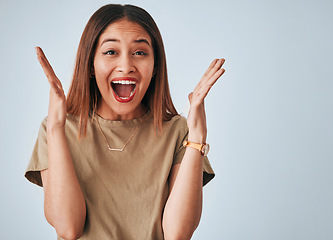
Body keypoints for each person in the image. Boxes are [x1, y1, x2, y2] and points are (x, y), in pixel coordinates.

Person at [25, 4, 225, 240]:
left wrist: (197, 137)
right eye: (111, 52)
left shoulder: (178, 131)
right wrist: (57, 130)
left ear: (155, 66)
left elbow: (178, 234)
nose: (126, 66)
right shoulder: (57, 129)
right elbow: (69, 228)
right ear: (90, 64)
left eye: (139, 52)